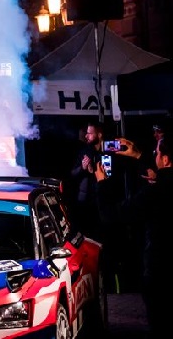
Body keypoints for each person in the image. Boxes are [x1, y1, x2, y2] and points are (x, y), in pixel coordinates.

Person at [95, 138, 173, 338]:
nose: (155, 156)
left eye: (157, 153)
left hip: (160, 272)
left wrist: (102, 183)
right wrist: (139, 155)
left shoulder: (154, 193)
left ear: (165, 159)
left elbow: (110, 215)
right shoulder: (159, 186)